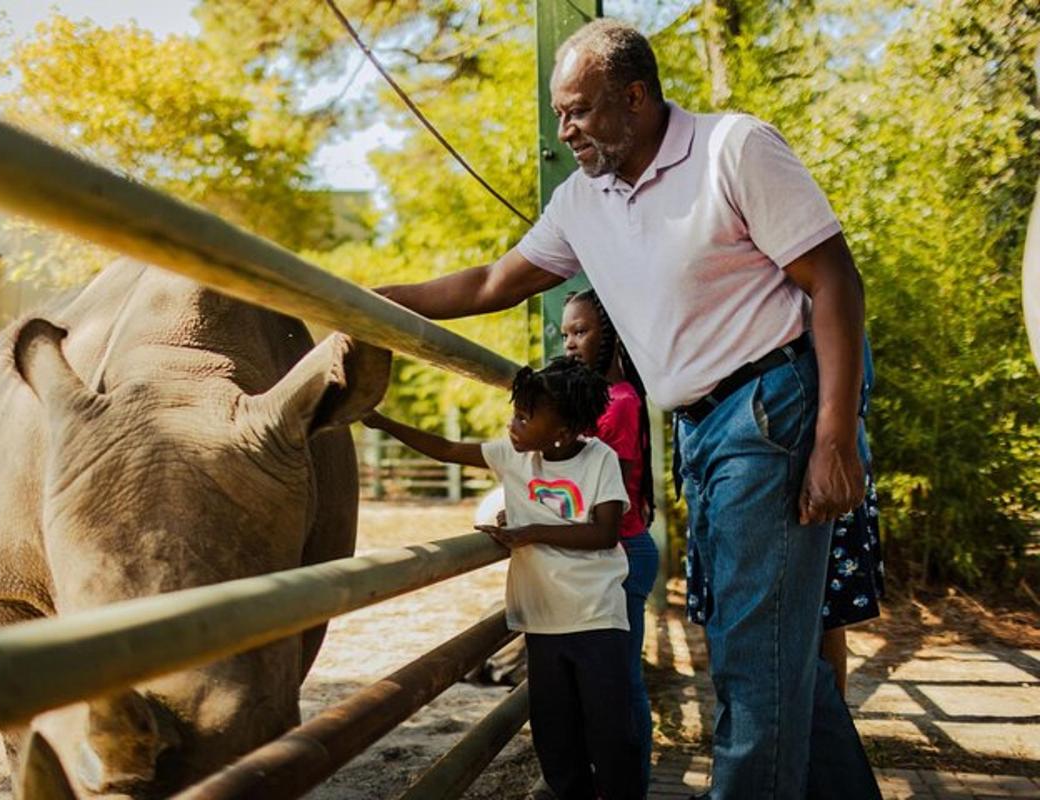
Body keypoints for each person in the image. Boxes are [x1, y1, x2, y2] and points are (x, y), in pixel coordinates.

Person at [374, 18, 880, 799]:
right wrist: (367, 302)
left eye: (577, 110)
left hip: (770, 410)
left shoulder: (732, 149)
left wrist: (835, 436)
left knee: (750, 661)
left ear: (636, 97)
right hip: (700, 431)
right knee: (771, 647)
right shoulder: (582, 201)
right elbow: (486, 284)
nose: (563, 128)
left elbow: (835, 283)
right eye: (559, 113)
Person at [365, 357, 644, 800]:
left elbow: (605, 532)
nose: (513, 425)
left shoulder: (599, 460)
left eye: (525, 418)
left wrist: (528, 531)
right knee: (555, 737)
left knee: (613, 735)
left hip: (596, 619)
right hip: (541, 621)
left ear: (564, 431)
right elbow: (447, 449)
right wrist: (382, 422)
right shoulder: (513, 456)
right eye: (516, 413)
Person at [687, 339, 885, 700]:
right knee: (728, 604)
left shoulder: (808, 306)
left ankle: (821, 726)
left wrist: (838, 445)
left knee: (818, 610)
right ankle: (746, 718)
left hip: (809, 452)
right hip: (716, 451)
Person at [561, 288, 658, 790]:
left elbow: (604, 493)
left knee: (623, 685)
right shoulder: (599, 400)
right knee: (604, 684)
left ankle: (632, 786)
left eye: (581, 331)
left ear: (611, 332)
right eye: (566, 335)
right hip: (605, 556)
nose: (571, 343)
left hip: (621, 555)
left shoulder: (619, 404)